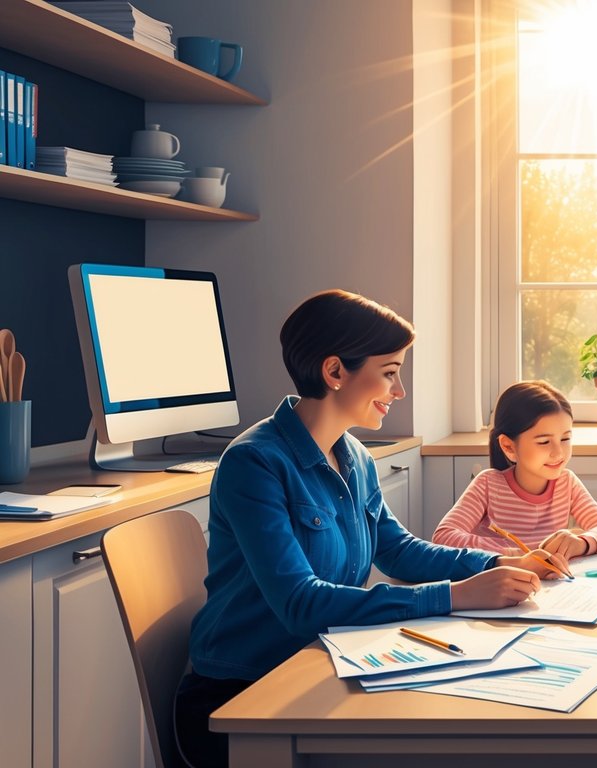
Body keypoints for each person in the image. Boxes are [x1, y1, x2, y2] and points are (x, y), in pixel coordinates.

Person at [175, 290, 569, 768]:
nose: (398, 391)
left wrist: (498, 563)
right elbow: (301, 604)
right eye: (389, 373)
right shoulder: (254, 463)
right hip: (240, 698)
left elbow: (397, 550)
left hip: (321, 666)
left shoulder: (353, 455)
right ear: (335, 372)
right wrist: (458, 594)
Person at [432, 380, 597, 557]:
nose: (558, 453)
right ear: (509, 447)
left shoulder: (567, 483)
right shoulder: (487, 484)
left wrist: (581, 542)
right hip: (499, 582)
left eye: (565, 439)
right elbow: (443, 536)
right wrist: (509, 554)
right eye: (544, 442)